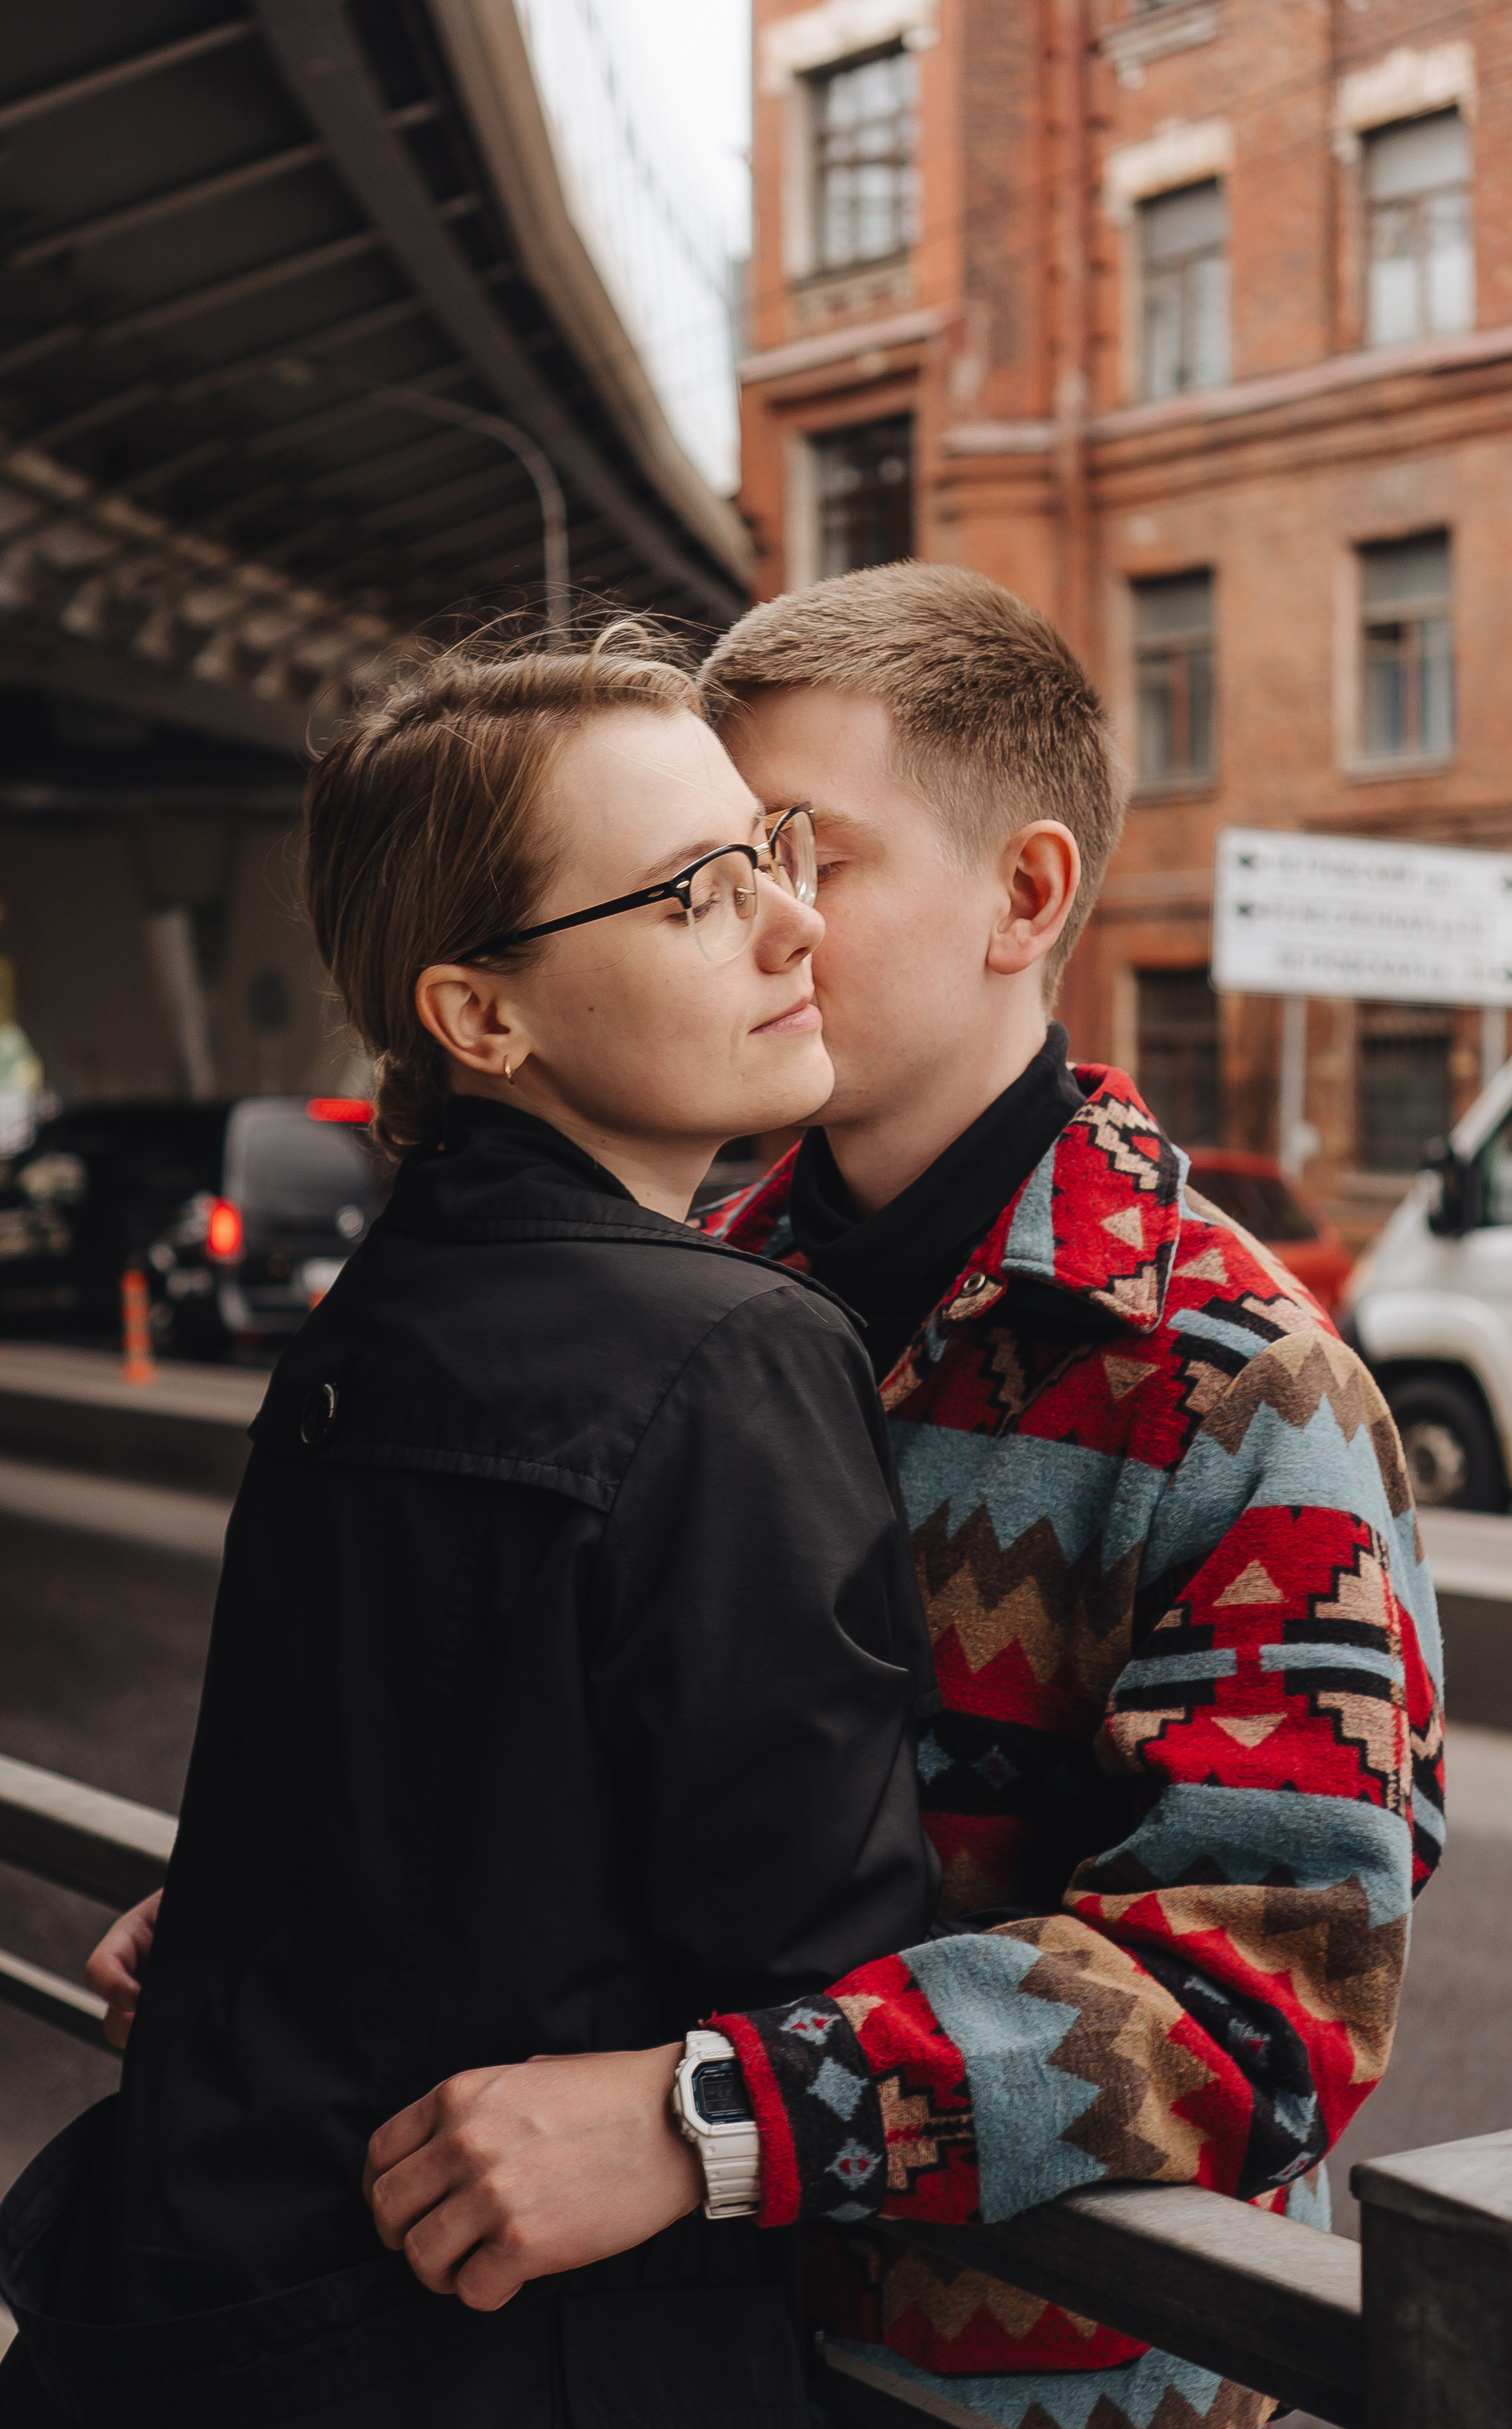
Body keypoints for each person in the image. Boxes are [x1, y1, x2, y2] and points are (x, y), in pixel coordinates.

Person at [326, 567, 1444, 2429]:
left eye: (808, 856)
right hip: (652, 2364)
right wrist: (299, 1908)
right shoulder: (665, 1313)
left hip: (1056, 2397)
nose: (760, 921)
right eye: (718, 866)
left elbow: (1273, 1994)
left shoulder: (1235, 1382)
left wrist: (716, 2122)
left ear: (1026, 896)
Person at [0, 631, 940, 2428]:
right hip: (536, 2346)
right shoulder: (733, 1350)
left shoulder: (370, 1321)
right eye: (692, 897)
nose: (793, 927)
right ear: (480, 1016)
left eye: (778, 858)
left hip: (222, 2301)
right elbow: (825, 1960)